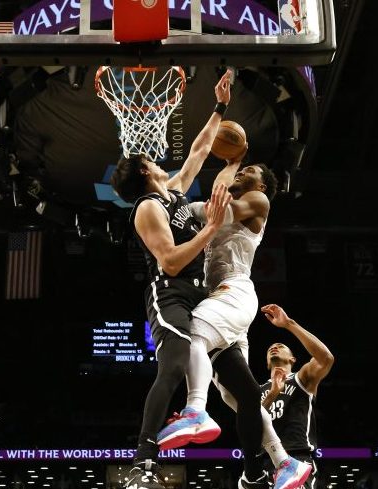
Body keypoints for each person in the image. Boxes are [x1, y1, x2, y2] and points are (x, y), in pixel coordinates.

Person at [154, 155, 313, 489]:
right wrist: (171, 206)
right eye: (244, 167)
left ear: (262, 185)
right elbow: (194, 210)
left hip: (233, 291)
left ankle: (195, 408)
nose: (244, 171)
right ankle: (285, 462)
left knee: (191, 332)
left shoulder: (257, 199)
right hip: (222, 303)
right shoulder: (231, 195)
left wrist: (190, 212)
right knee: (241, 398)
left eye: (251, 171)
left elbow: (219, 212)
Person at [110, 70, 234, 489]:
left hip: (198, 293)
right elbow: (172, 262)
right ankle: (142, 461)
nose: (157, 161)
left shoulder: (173, 193)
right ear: (145, 173)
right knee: (175, 364)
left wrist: (220, 106)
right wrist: (210, 229)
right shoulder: (147, 208)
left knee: (227, 363)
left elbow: (199, 151)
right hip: (170, 295)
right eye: (150, 161)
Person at [260, 305, 335, 489]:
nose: (275, 347)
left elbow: (326, 358)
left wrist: (289, 324)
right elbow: (249, 426)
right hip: (265, 462)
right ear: (267, 362)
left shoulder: (302, 378)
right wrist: (272, 395)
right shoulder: (259, 390)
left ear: (292, 359)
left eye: (280, 346)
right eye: (271, 347)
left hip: (297, 458)